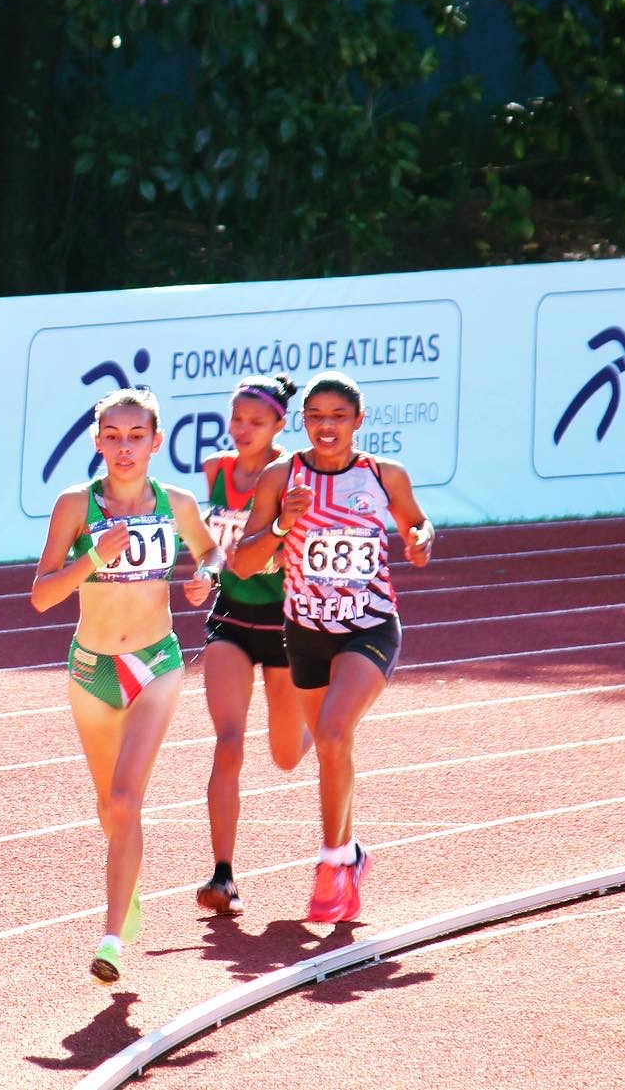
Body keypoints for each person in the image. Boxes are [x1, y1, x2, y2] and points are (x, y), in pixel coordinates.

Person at [31, 388, 222, 984]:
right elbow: (42, 596)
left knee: (124, 798)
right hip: (91, 669)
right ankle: (129, 888)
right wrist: (92, 556)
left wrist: (205, 577)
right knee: (108, 806)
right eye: (111, 435)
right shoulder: (75, 505)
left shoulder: (178, 502)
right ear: (97, 442)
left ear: (156, 442)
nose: (123, 446)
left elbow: (211, 553)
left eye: (135, 435)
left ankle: (112, 938)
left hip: (155, 664)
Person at [231, 370, 435, 923]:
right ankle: (350, 857)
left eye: (338, 417)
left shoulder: (383, 475)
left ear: (358, 422)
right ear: (304, 422)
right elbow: (243, 563)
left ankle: (329, 864)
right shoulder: (281, 476)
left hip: (369, 626)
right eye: (316, 416)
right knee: (328, 747)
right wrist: (280, 527)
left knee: (333, 732)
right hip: (305, 632)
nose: (326, 425)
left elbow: (418, 527)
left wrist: (420, 541)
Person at [194, 374, 311, 918]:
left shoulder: (293, 475)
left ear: (279, 427)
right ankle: (223, 875)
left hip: (284, 624)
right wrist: (204, 572)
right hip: (232, 620)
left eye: (256, 423)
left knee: (286, 756)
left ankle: (331, 723)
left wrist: (279, 549)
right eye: (237, 419)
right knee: (229, 742)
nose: (242, 430)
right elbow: (213, 546)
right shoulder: (217, 469)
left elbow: (301, 550)